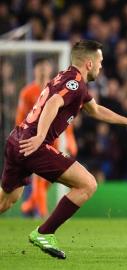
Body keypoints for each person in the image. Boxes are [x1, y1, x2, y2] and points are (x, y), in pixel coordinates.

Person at [0, 40, 127, 259]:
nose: (102, 66)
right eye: (100, 62)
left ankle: (44, 231)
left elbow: (95, 110)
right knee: (88, 184)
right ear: (90, 63)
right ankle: (44, 232)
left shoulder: (66, 78)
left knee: (7, 200)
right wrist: (39, 137)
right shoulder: (75, 84)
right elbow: (54, 102)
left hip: (16, 140)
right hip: (33, 144)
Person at [16, 58, 79, 218]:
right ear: (35, 70)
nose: (43, 70)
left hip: (55, 140)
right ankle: (42, 215)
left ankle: (30, 203)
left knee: (46, 181)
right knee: (38, 179)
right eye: (40, 67)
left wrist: (70, 139)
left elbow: (65, 117)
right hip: (35, 141)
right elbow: (20, 118)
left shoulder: (55, 90)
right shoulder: (27, 92)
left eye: (45, 67)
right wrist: (22, 138)